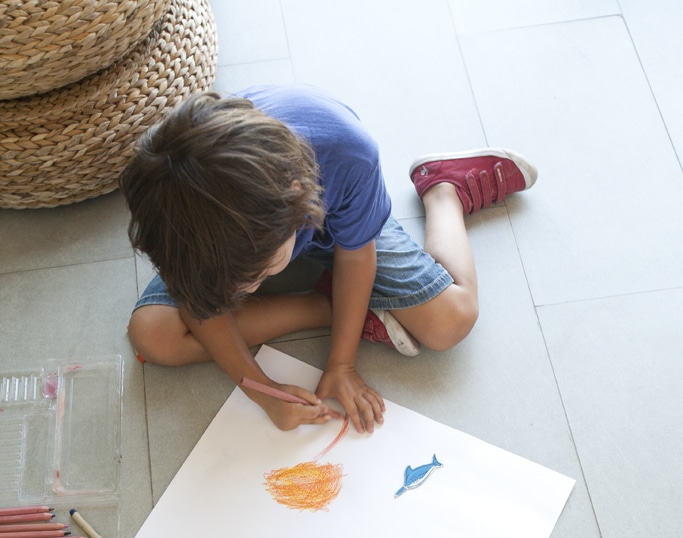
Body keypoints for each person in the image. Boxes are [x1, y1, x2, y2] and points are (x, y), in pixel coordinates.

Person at [119, 84, 537, 434]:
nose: (238, 295)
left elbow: (356, 255)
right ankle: (328, 304)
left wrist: (341, 363)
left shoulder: (347, 154)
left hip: (332, 213)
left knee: (452, 320)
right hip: (244, 227)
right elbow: (202, 303)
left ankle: (445, 191)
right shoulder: (170, 205)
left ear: (295, 203)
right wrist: (262, 391)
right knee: (153, 334)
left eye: (252, 277)